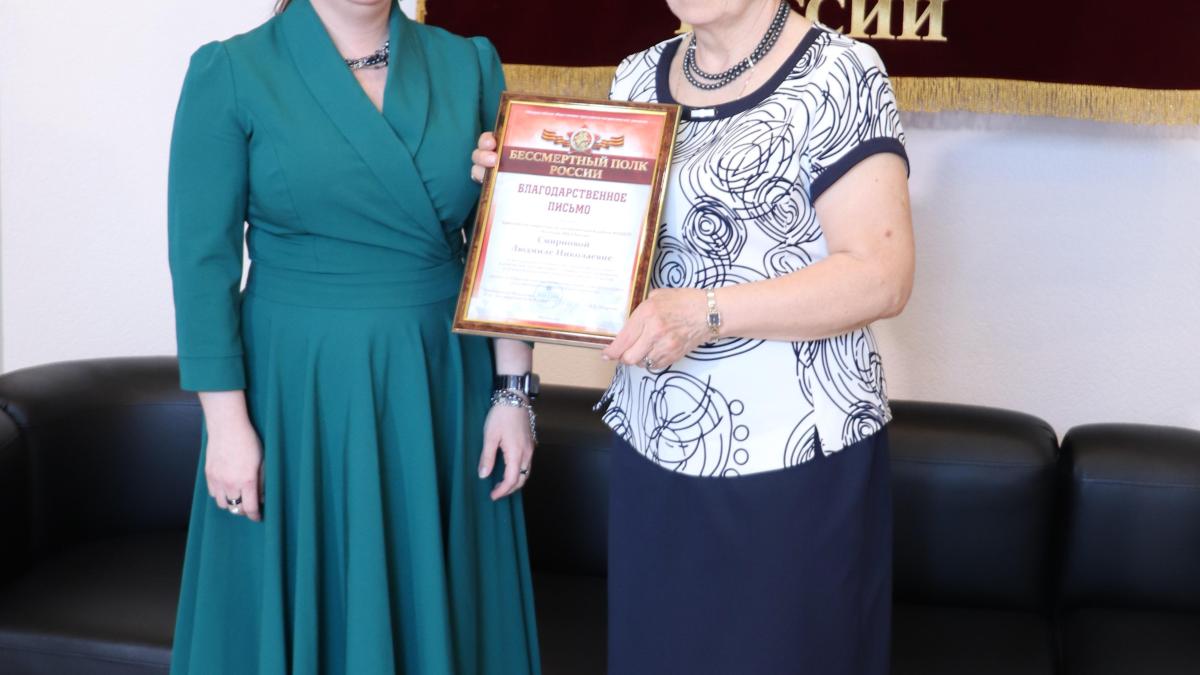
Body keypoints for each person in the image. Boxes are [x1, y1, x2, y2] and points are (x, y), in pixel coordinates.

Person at [471, 0, 913, 672]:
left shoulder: (840, 72)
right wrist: (517, 185)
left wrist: (707, 313)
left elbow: (882, 276)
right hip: (654, 449)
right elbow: (605, 252)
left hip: (794, 462)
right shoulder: (637, 76)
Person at [167, 0, 540, 673]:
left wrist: (513, 392)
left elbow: (505, 237)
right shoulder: (232, 71)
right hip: (297, 393)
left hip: (440, 381)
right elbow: (202, 266)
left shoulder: (469, 63)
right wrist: (225, 426)